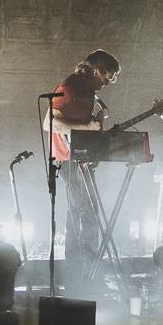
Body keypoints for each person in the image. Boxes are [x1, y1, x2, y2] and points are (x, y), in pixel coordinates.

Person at [44, 49, 120, 281]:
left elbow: (80, 126)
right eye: (109, 75)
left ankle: (87, 267)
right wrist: (89, 127)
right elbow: (50, 123)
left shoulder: (88, 91)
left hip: (80, 158)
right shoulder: (72, 86)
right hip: (68, 159)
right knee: (81, 211)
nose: (109, 81)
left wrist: (95, 130)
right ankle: (78, 269)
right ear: (97, 69)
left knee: (87, 211)